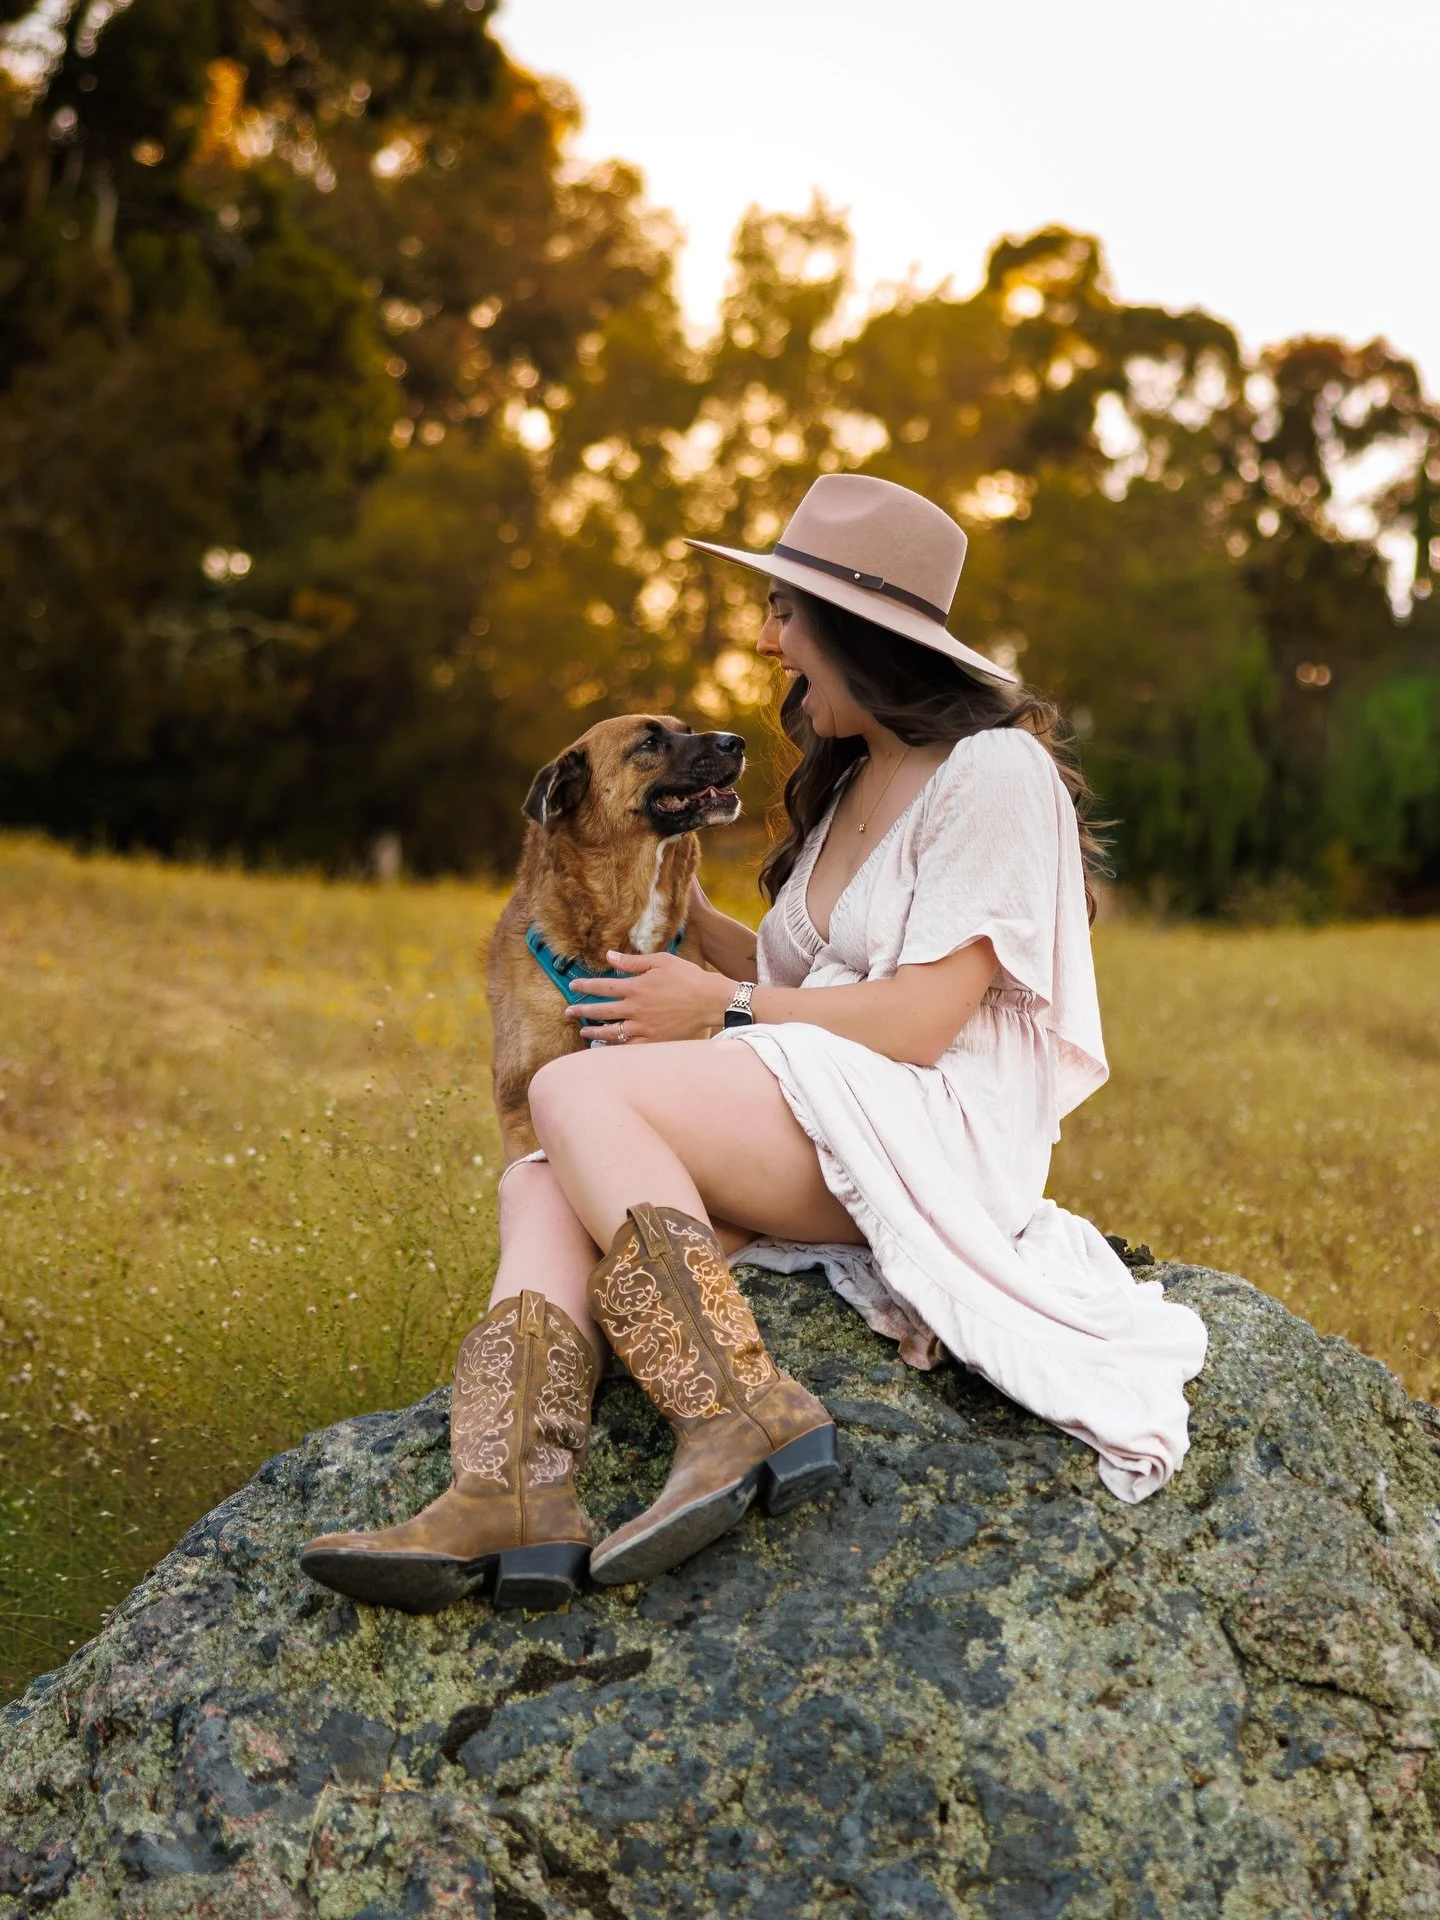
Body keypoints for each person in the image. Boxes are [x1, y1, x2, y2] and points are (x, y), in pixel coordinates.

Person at [300, 473, 1208, 1615]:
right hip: (820, 1101)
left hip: (934, 1129)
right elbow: (785, 976)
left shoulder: (995, 773)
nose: (771, 641)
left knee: (582, 1099)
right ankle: (509, 1493)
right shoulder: (852, 782)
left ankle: (739, 1417)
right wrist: (626, 893)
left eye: (787, 612)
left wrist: (714, 1011)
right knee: (537, 1181)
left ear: (861, 633)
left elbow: (921, 1020)